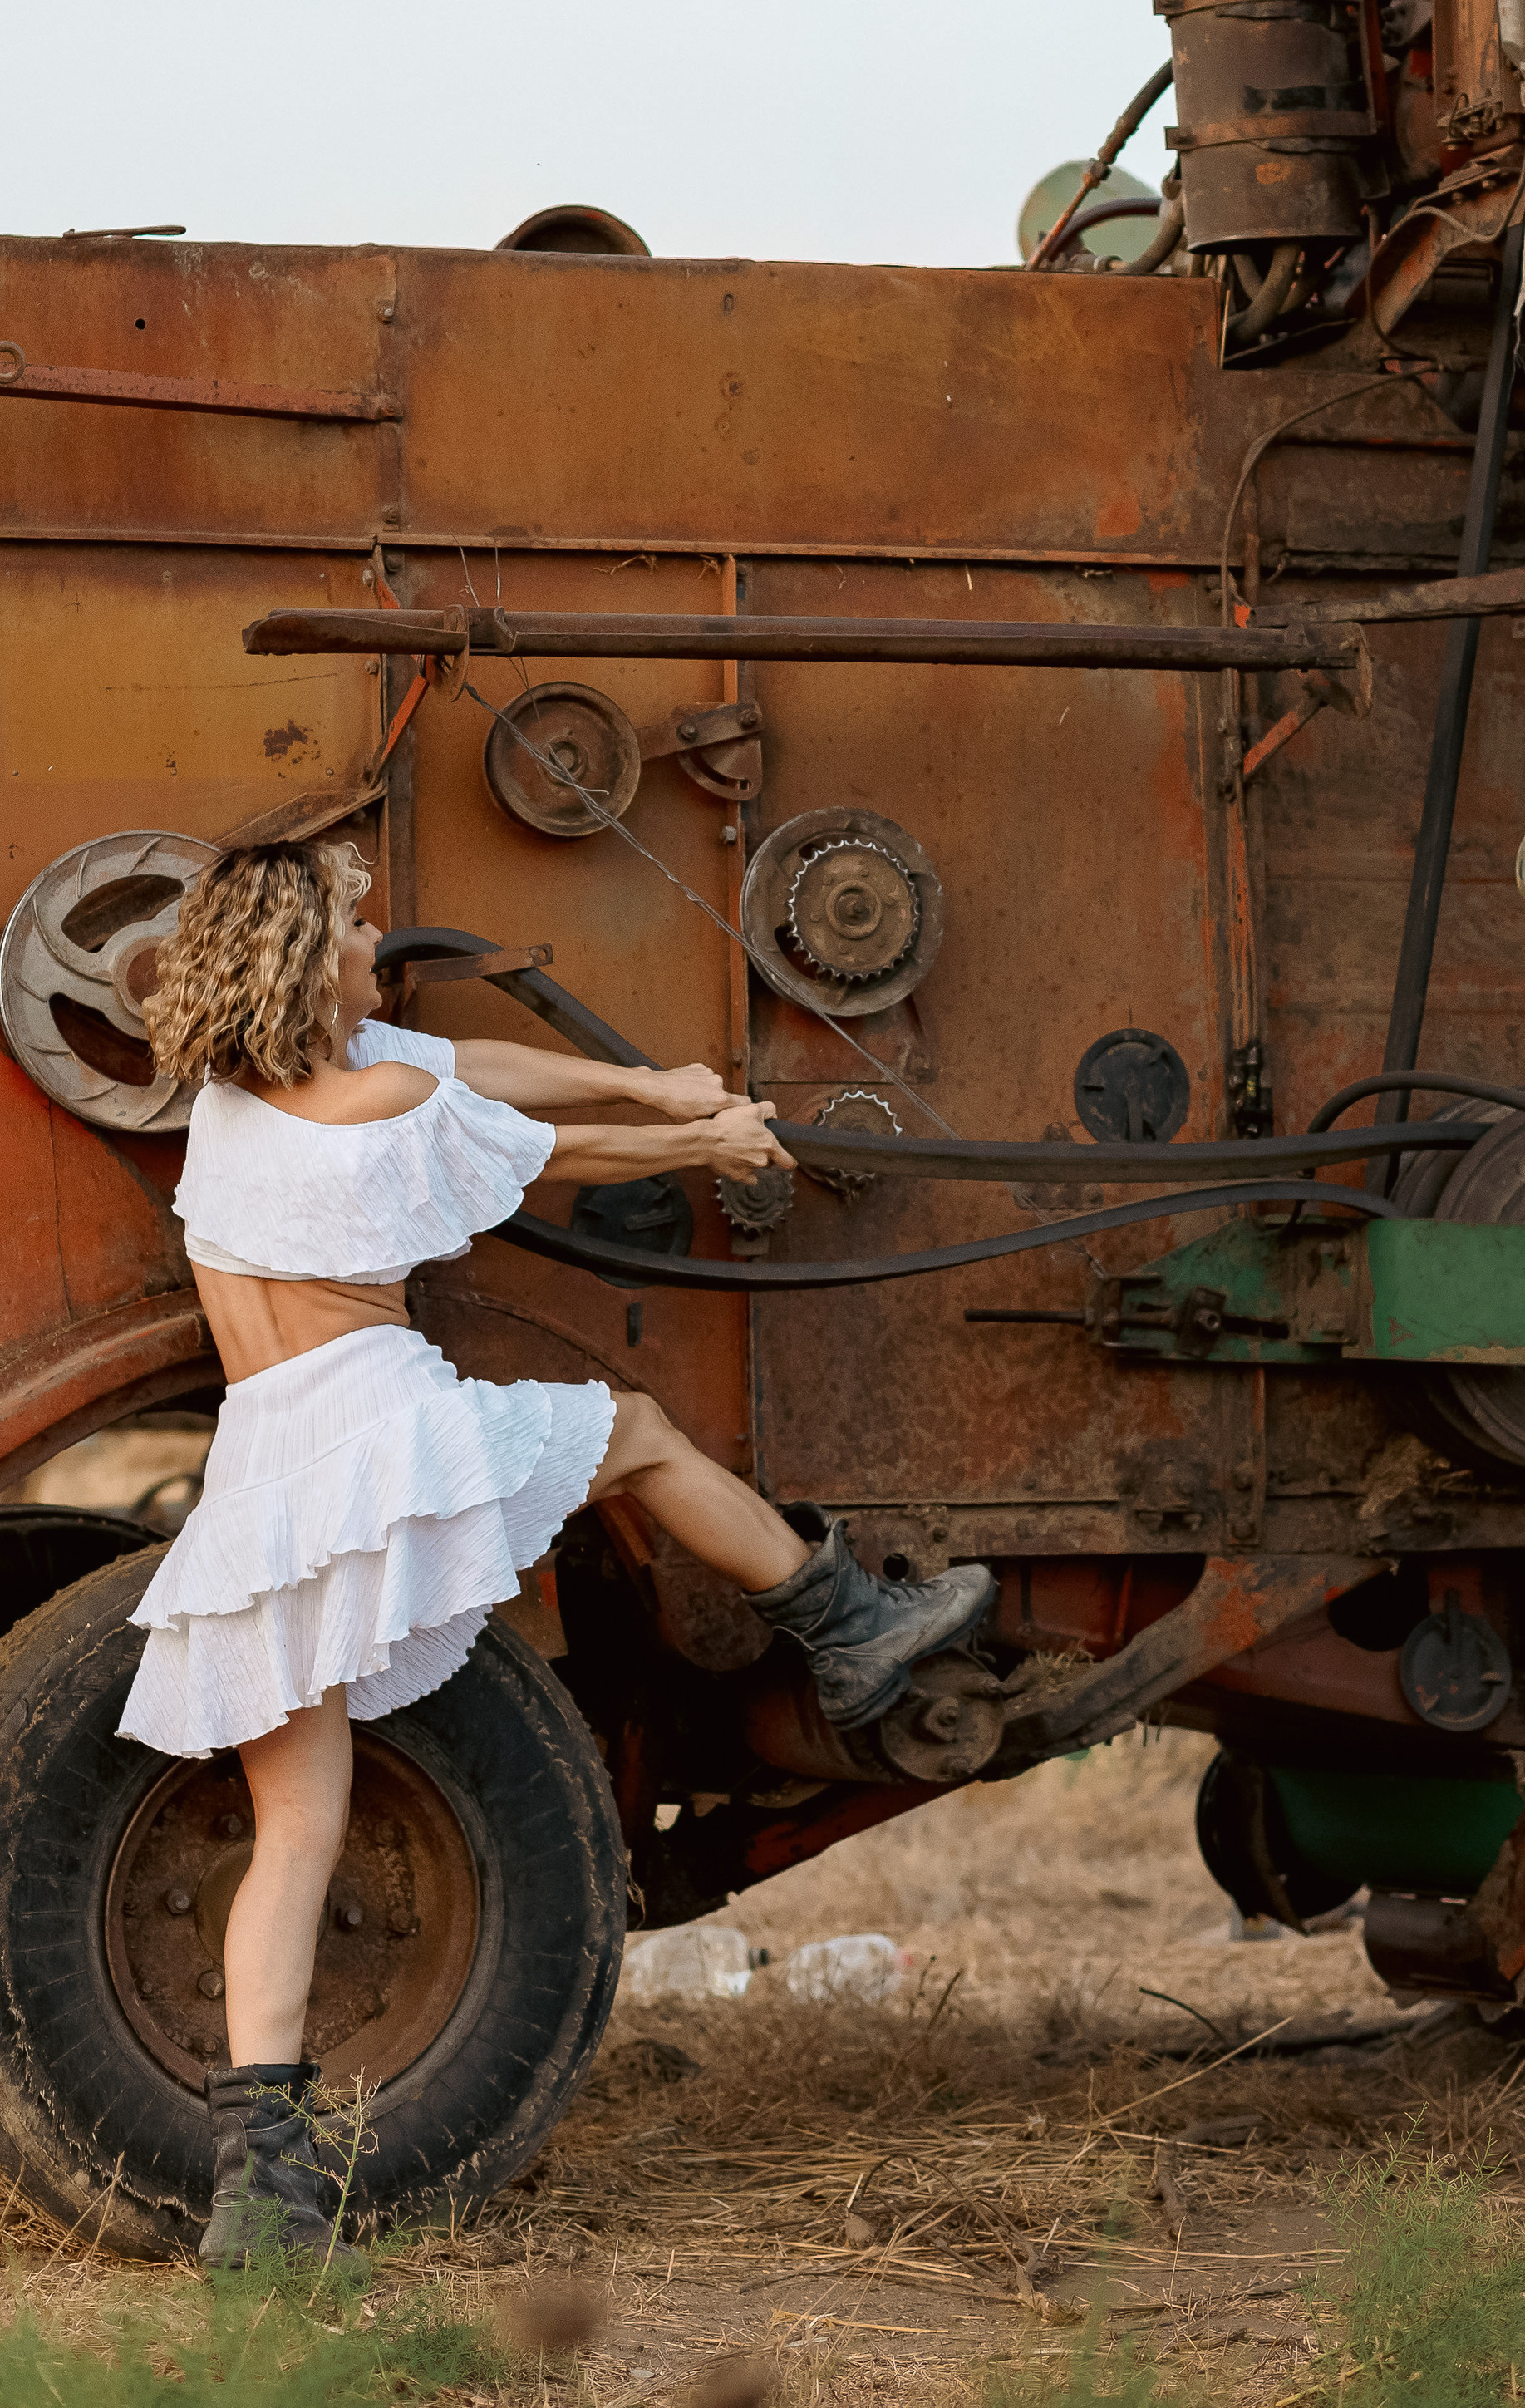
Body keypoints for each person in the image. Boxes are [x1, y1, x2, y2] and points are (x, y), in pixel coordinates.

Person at [130, 838, 993, 2269]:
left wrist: (649, 1083)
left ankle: (261, 2200)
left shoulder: (232, 1110)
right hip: (376, 1431)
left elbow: (467, 1064)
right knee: (643, 1434)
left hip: (266, 1468)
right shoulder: (385, 1100)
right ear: (303, 958)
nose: (373, 938)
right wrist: (698, 1140)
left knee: (295, 1826)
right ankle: (849, 1629)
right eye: (353, 924)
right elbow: (534, 1145)